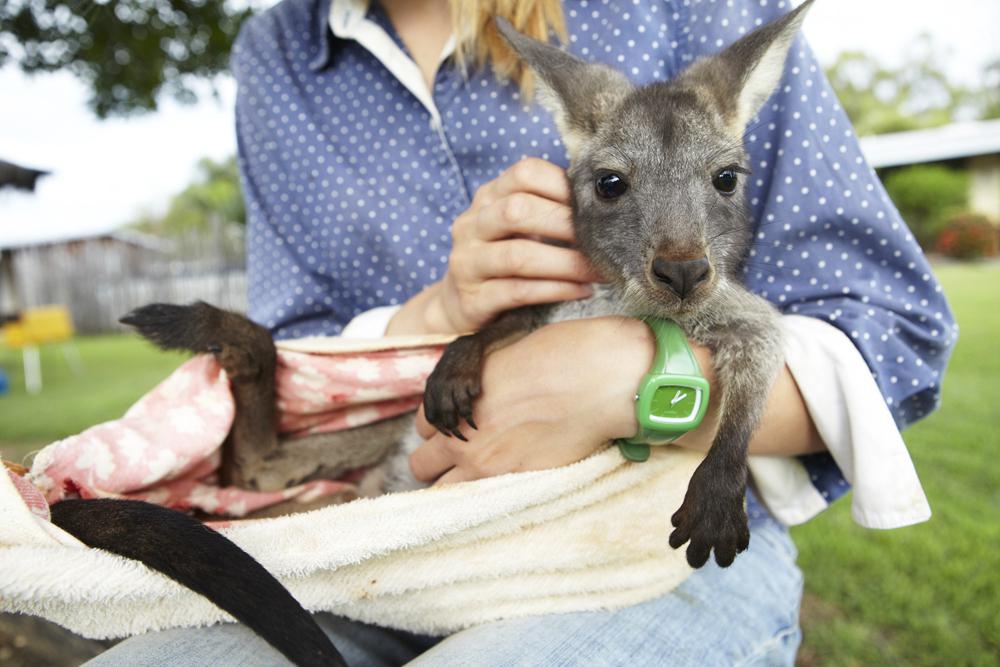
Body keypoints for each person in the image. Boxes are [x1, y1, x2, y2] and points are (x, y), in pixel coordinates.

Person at [88, 0, 957, 664]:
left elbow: (892, 333)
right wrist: (440, 317)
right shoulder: (281, 50)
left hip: (649, 540)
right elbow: (303, 352)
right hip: (397, 522)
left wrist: (624, 377)